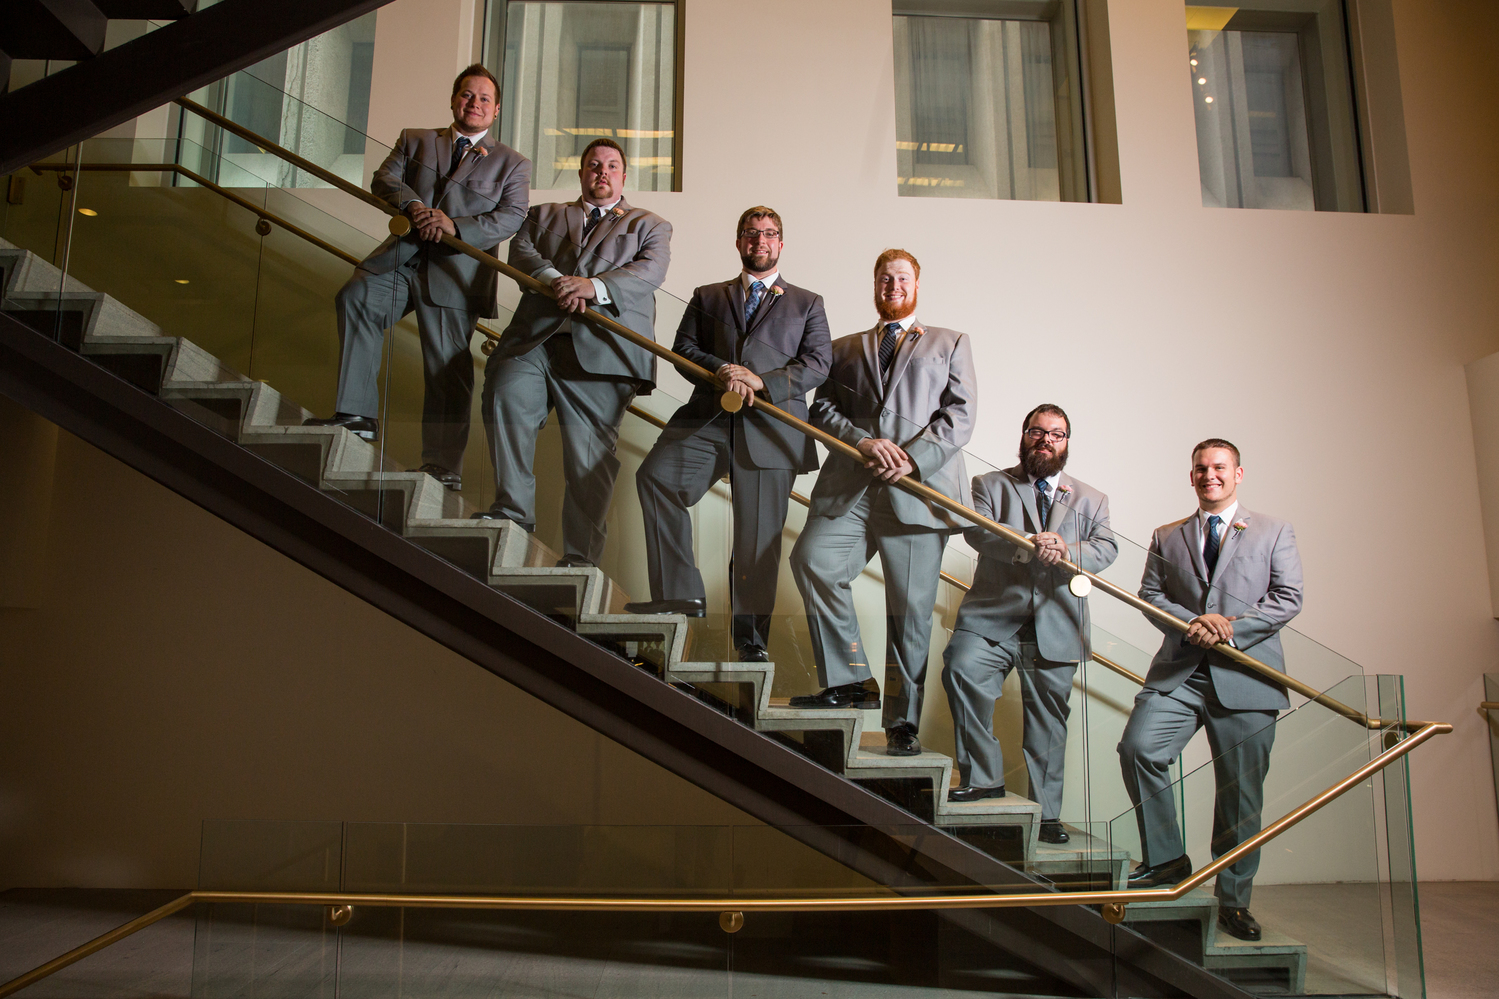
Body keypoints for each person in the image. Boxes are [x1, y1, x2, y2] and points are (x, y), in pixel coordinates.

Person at [787, 249, 976, 757]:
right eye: (884, 278)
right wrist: (861, 442)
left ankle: (902, 722)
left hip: (917, 492)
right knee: (813, 560)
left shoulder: (950, 342)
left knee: (909, 614)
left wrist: (910, 461)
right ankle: (849, 680)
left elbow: (959, 417)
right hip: (853, 482)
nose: (892, 285)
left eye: (902, 277)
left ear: (917, 283)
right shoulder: (845, 346)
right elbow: (822, 408)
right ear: (874, 285)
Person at [306, 66, 531, 492]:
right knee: (356, 295)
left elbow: (512, 217)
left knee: (446, 368)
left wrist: (454, 225)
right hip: (400, 259)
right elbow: (384, 179)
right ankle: (356, 416)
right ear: (453, 100)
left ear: (496, 110)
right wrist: (414, 207)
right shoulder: (416, 138)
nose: (474, 104)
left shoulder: (513, 163)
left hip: (457, 271)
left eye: (484, 99)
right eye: (467, 95)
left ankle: (443, 466)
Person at [625, 207, 830, 662]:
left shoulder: (807, 302)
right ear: (738, 242)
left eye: (770, 234)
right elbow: (683, 349)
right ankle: (680, 594)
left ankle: (750, 642)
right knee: (656, 479)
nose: (760, 241)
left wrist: (762, 381)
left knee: (758, 542)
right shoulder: (708, 294)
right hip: (709, 419)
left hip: (772, 429)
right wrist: (721, 370)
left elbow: (817, 363)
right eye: (751, 234)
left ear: (781, 244)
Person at [1119, 438, 1303, 942]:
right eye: (1201, 468)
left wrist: (1229, 628)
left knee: (1240, 796)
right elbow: (1150, 594)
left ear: (1238, 474)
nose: (1210, 476)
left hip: (1247, 677)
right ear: (1192, 475)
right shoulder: (1166, 535)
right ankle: (1167, 860)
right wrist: (1195, 623)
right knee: (1139, 748)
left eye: (1219, 468)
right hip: (1182, 670)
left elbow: (1288, 598)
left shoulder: (1274, 530)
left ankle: (1234, 901)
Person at [472, 138, 672, 567]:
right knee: (505, 394)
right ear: (581, 173)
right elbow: (521, 250)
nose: (602, 171)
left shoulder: (650, 224)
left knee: (588, 460)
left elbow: (649, 272)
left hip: (604, 353)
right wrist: (554, 279)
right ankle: (513, 514)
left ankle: (580, 556)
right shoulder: (543, 214)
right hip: (535, 340)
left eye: (612, 166)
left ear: (623, 176)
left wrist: (594, 288)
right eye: (594, 165)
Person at [941, 405, 1116, 841]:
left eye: (1056, 434)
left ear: (1067, 442)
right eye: (1037, 432)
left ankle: (1047, 813)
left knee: (1049, 721)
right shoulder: (990, 484)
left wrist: (1068, 548)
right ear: (1024, 436)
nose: (1046, 440)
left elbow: (1107, 548)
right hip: (992, 616)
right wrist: (1027, 545)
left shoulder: (1092, 498)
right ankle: (983, 778)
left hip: (1058, 621)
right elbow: (976, 531)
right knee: (961, 670)